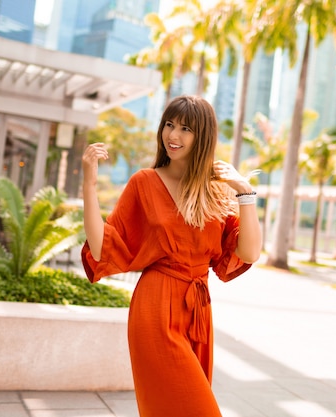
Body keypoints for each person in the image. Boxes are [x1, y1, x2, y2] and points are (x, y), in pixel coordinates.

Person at [81, 95, 261, 416]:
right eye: (169, 125)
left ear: (202, 136)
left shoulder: (216, 191)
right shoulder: (145, 182)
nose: (173, 136)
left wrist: (245, 192)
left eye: (185, 129)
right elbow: (102, 248)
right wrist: (89, 183)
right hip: (155, 308)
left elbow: (248, 252)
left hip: (198, 311)